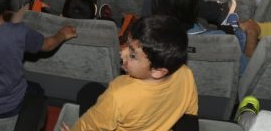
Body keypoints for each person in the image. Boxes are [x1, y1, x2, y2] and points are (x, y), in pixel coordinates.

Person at [61, 16, 198, 131]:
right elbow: (190, 116)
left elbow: (89, 125)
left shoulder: (118, 94)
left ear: (157, 71)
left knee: (89, 91)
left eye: (132, 55)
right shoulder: (186, 74)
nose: (122, 53)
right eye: (127, 45)